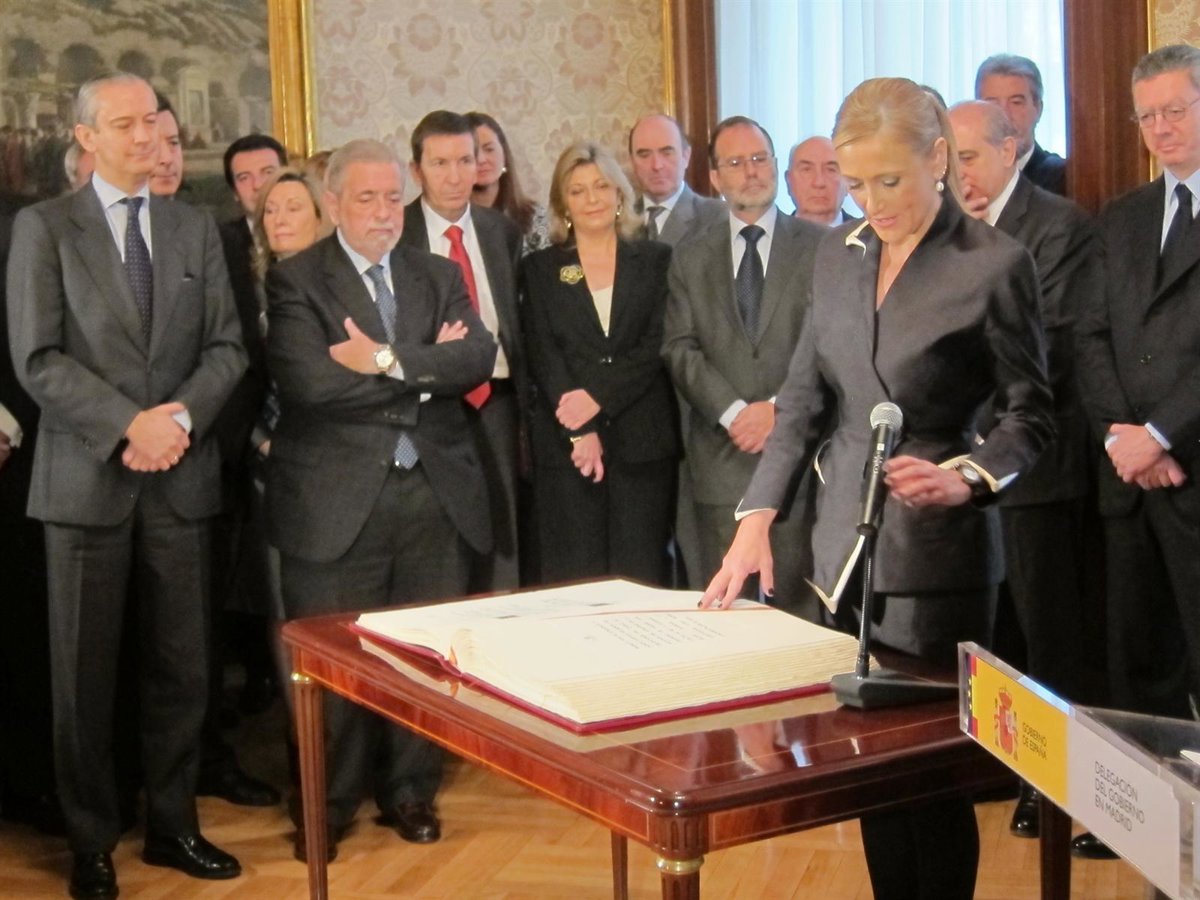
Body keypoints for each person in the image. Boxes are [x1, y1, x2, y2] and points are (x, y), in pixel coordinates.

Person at [703, 78, 1053, 900]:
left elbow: (1032, 417)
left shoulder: (995, 264)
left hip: (938, 557)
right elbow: (801, 401)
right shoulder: (838, 252)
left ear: (938, 158)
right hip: (841, 554)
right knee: (869, 771)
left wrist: (967, 478)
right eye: (857, 182)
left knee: (929, 780)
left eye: (888, 180)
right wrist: (756, 517)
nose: (872, 202)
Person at [6, 72, 247, 898]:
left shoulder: (193, 227)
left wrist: (175, 421)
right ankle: (91, 842)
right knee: (83, 677)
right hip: (84, 483)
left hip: (180, 477)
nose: (147, 136)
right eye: (125, 124)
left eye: (153, 120)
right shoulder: (44, 228)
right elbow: (37, 358)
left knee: (183, 670)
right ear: (86, 137)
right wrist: (127, 425)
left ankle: (175, 827)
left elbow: (227, 347)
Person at [266, 138, 496, 861]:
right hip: (336, 504)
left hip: (433, 496)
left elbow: (476, 357)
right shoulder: (297, 279)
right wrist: (425, 377)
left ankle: (410, 792)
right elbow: (310, 383)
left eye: (393, 197)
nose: (383, 212)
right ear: (333, 202)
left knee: (421, 658)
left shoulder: (435, 272)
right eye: (366, 198)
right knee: (332, 664)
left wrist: (386, 359)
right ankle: (325, 805)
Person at [949, 98, 1100, 838]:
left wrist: (979, 428)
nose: (959, 175)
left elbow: (1052, 348)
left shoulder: (1059, 226)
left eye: (969, 157)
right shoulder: (946, 232)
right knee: (991, 632)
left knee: (1050, 635)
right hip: (962, 472)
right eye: (948, 161)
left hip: (1037, 467)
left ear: (1010, 150)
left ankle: (1058, 782)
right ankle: (999, 764)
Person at [1074, 42, 1200, 860]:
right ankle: (1150, 825)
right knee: (1139, 662)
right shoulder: (1120, 216)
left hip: (1193, 468)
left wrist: (1161, 435)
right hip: (1128, 480)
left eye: (1176, 110)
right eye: (1146, 115)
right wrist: (1123, 435)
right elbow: (1088, 334)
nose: (1160, 128)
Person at [662, 115, 825, 618]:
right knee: (725, 621)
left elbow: (828, 345)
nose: (751, 172)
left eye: (759, 159)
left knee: (799, 621)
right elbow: (679, 348)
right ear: (714, 177)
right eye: (735, 162)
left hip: (798, 466)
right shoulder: (689, 255)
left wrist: (777, 409)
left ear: (775, 166)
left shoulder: (821, 247)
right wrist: (734, 413)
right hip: (721, 461)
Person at [522, 141, 678, 584]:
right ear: (563, 205)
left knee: (642, 574)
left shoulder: (656, 260)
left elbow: (656, 343)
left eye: (601, 186)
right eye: (577, 190)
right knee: (576, 578)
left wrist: (599, 397)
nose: (592, 199)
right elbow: (544, 354)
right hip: (567, 447)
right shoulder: (541, 269)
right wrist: (581, 429)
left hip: (642, 443)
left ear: (620, 194)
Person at [401, 110, 524, 593]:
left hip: (497, 400)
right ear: (417, 170)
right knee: (440, 538)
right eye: (440, 163)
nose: (454, 176)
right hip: (431, 405)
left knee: (504, 535)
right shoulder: (399, 233)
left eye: (465, 161)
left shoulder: (501, 232)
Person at [628, 112, 725, 590]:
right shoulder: (614, 218)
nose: (657, 165)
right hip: (633, 400)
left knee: (694, 535)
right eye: (644, 154)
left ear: (687, 156)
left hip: (693, 397)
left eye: (667, 152)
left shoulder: (716, 217)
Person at [976, 53, 1067, 196]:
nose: (1005, 115)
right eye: (992, 104)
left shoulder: (1061, 177)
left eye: (1016, 103)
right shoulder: (963, 178)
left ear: (1038, 109)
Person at [467, 111, 550, 255]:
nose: (481, 159)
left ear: (504, 154)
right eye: (472, 152)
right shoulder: (451, 222)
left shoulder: (534, 217)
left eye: (489, 149)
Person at [784, 136, 853, 226]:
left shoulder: (869, 233)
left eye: (831, 170)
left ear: (849, 182)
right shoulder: (772, 234)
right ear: (788, 181)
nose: (819, 183)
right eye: (806, 170)